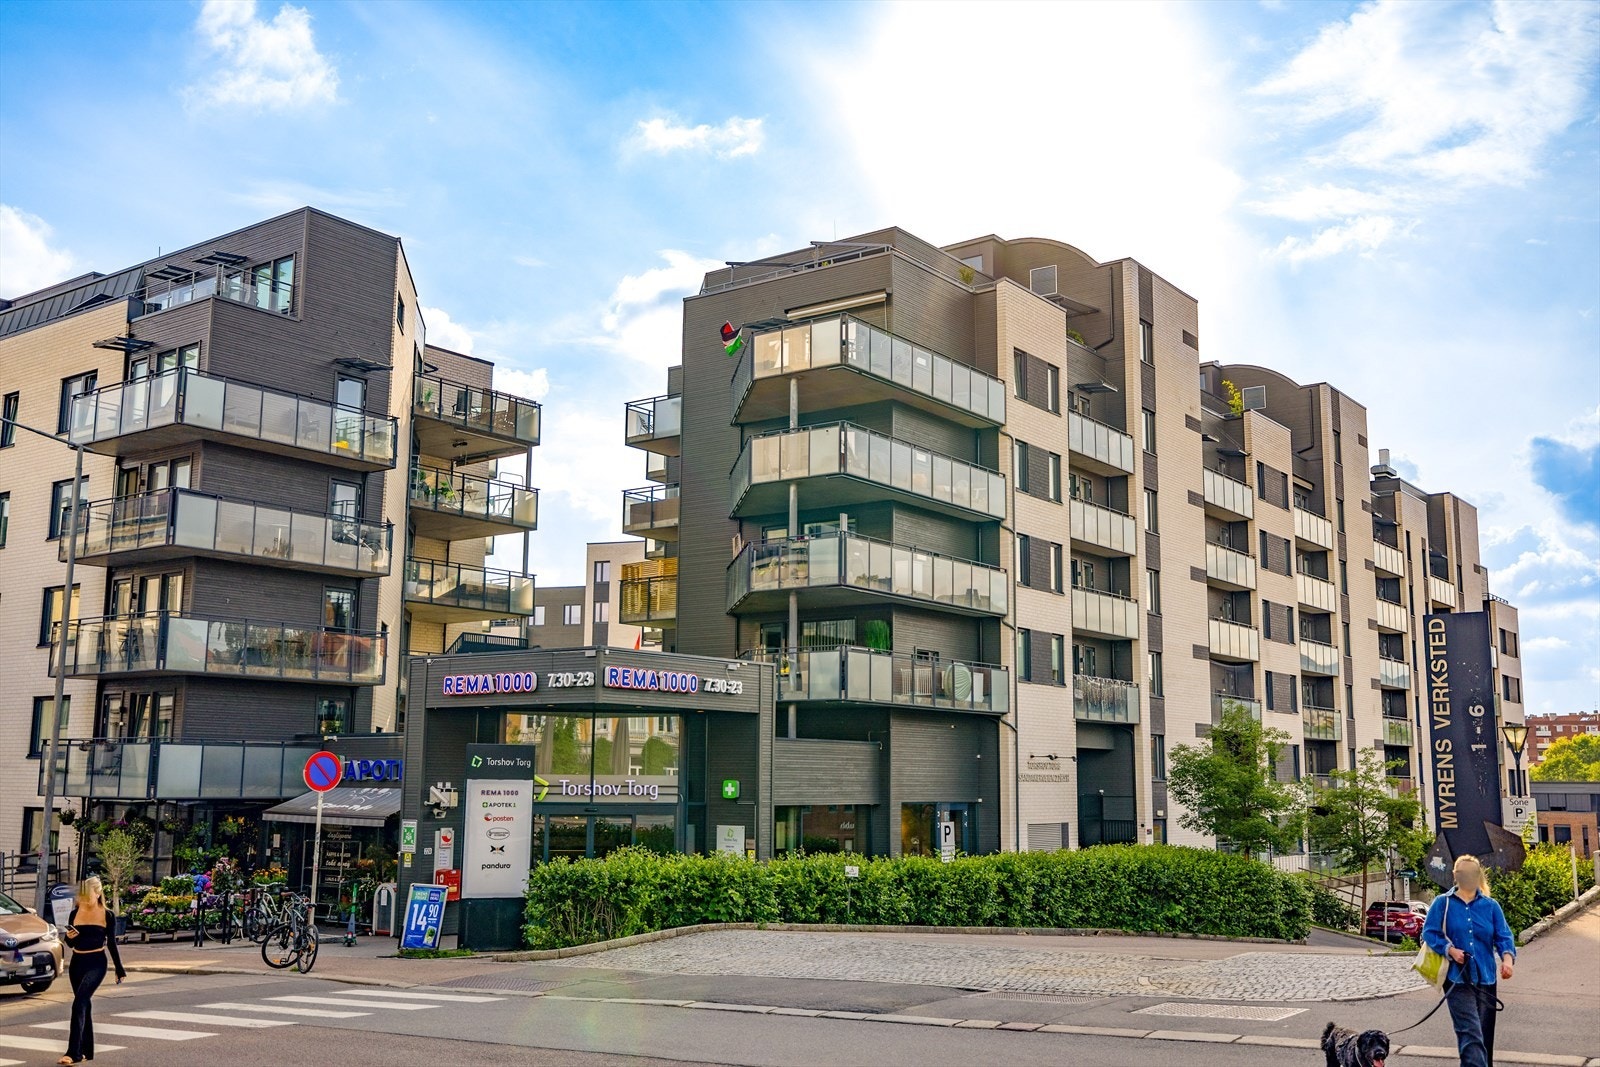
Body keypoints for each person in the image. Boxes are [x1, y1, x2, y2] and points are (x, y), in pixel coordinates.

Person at [1421, 854, 1516, 1067]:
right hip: (1457, 980)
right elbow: (1429, 932)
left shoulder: (1491, 906)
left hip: (1486, 979)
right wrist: (1450, 950)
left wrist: (1507, 960)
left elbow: (1504, 936)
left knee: (1483, 1038)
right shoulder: (1442, 903)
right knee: (1470, 1035)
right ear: (1455, 875)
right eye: (1462, 873)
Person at [59, 875, 125, 1065]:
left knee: (79, 1003)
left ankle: (73, 1053)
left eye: (88, 896)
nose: (85, 900)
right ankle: (87, 1051)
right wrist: (69, 937)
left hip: (97, 962)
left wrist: (119, 969)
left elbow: (112, 944)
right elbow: (70, 943)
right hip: (77, 963)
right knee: (84, 1005)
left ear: (98, 893)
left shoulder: (107, 915)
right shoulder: (75, 913)